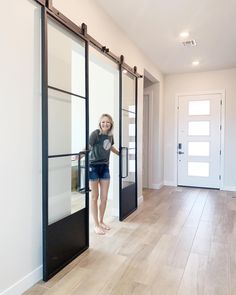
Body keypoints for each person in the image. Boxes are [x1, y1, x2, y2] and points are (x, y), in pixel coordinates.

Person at [89, 114, 119, 235]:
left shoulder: (110, 136)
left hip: (105, 167)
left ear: (111, 124)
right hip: (93, 167)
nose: (105, 124)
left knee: (104, 197)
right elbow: (88, 147)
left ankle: (101, 221)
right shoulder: (96, 134)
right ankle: (96, 225)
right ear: (100, 123)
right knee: (94, 197)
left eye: (107, 122)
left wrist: (120, 153)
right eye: (103, 122)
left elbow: (110, 147)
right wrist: (80, 155)